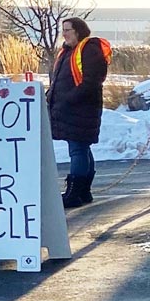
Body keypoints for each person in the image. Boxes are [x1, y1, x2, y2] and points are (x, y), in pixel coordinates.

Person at [47, 17, 112, 208]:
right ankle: (83, 191)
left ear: (79, 31)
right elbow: (61, 80)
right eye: (63, 30)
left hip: (81, 109)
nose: (64, 34)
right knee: (81, 148)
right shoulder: (68, 52)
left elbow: (92, 82)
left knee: (78, 149)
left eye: (68, 30)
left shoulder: (89, 49)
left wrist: (68, 99)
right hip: (72, 110)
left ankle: (75, 192)